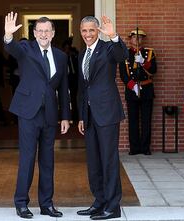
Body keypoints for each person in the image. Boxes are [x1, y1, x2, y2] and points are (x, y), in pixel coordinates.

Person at [3, 12, 70, 219]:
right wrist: (8, 36)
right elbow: (11, 48)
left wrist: (65, 116)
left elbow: (65, 87)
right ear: (34, 33)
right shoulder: (26, 49)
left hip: (50, 113)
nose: (43, 34)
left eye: (46, 31)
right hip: (28, 112)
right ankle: (21, 203)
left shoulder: (61, 56)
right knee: (28, 158)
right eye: (39, 31)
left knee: (48, 160)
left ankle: (47, 204)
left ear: (53, 33)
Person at [76, 16, 128, 220]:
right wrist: (81, 116)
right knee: (94, 161)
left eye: (91, 30)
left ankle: (113, 206)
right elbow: (82, 88)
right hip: (89, 115)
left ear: (98, 30)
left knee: (108, 160)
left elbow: (122, 55)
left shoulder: (108, 48)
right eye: (84, 31)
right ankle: (99, 202)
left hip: (107, 113)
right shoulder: (82, 54)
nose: (88, 34)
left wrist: (114, 35)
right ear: (80, 32)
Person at [119, 29, 157, 155]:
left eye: (140, 37)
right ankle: (134, 148)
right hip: (132, 90)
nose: (137, 40)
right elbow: (123, 75)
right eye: (135, 37)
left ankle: (145, 148)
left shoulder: (149, 53)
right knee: (133, 121)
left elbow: (154, 71)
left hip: (146, 90)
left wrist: (143, 62)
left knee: (146, 120)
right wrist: (132, 86)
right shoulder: (124, 54)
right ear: (130, 39)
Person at [62, 37, 79, 123]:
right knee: (64, 98)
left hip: (74, 80)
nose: (67, 50)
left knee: (74, 98)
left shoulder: (74, 55)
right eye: (65, 48)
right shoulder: (62, 57)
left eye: (68, 48)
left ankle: (75, 116)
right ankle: (64, 117)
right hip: (65, 80)